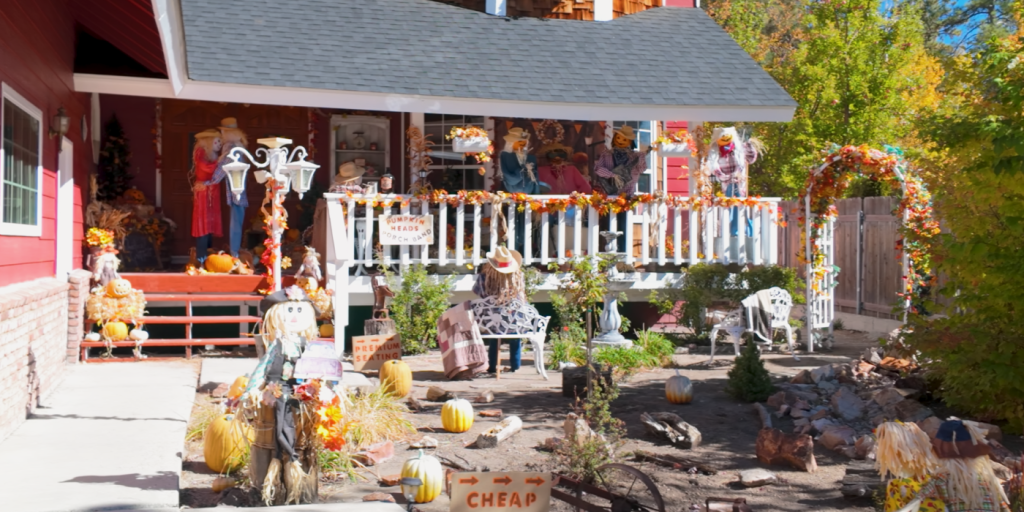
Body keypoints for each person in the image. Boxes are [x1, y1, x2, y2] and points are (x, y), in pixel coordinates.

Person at [241, 285, 322, 505]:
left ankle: (299, 479)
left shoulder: (310, 347)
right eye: (289, 312)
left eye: (298, 312)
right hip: (276, 391)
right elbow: (263, 369)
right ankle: (273, 479)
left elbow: (320, 371)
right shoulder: (276, 346)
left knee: (302, 433)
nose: (294, 318)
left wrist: (324, 388)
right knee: (275, 413)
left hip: (302, 392)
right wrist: (250, 390)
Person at [471, 246, 543, 374]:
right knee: (515, 333)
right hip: (513, 323)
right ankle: (515, 366)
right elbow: (521, 298)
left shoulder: (484, 277)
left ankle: (492, 366)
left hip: (491, 324)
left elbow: (479, 293)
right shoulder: (517, 276)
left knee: (494, 335)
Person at [197, 118, 249, 256]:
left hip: (236, 190)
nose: (221, 135)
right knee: (236, 220)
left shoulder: (231, 148)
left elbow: (223, 167)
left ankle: (234, 254)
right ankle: (234, 252)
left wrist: (209, 182)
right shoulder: (237, 146)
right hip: (236, 188)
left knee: (235, 223)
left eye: (223, 132)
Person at [593, 126, 650, 252]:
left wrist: (641, 157)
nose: (620, 140)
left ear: (630, 141)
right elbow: (598, 169)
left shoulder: (635, 156)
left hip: (626, 195)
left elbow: (641, 169)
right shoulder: (606, 154)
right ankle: (605, 254)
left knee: (623, 226)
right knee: (606, 226)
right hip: (608, 195)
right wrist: (613, 175)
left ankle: (623, 254)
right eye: (618, 137)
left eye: (624, 139)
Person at [498, 128, 544, 255]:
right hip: (513, 196)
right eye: (520, 142)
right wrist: (523, 169)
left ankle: (526, 254)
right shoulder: (505, 156)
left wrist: (537, 196)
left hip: (528, 197)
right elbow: (510, 178)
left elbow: (536, 178)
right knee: (513, 226)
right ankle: (513, 251)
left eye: (524, 143)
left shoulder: (531, 158)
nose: (523, 145)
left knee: (528, 227)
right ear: (512, 143)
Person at [707, 126, 759, 238]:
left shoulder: (739, 148)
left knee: (739, 206)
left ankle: (740, 232)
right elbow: (714, 168)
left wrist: (748, 143)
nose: (725, 138)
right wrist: (725, 177)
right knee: (728, 207)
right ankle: (729, 232)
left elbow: (751, 158)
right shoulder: (716, 152)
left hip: (739, 184)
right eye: (722, 136)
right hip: (726, 184)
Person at [191, 129, 223, 260]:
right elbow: (207, 167)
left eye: (220, 142)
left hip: (211, 192)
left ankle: (207, 255)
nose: (219, 145)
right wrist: (220, 162)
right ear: (209, 142)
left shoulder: (212, 155)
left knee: (209, 223)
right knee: (202, 223)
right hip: (204, 193)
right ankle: (201, 257)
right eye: (217, 141)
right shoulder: (201, 153)